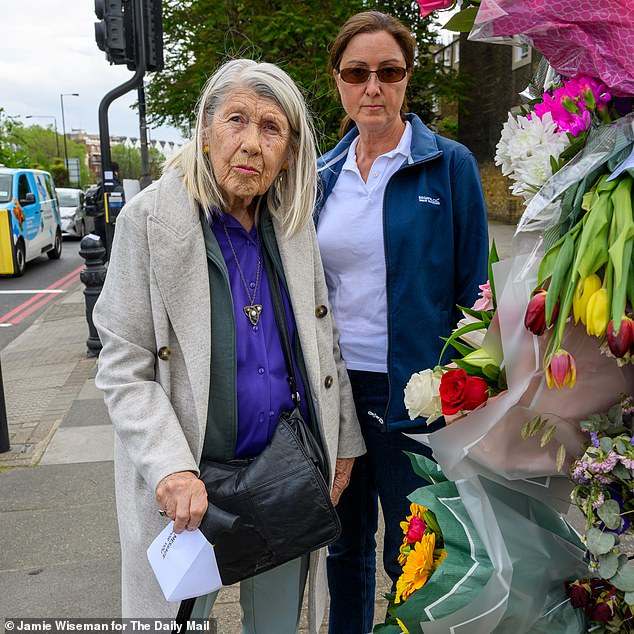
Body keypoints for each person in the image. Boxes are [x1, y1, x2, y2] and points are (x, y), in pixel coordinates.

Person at [93, 59, 365, 633]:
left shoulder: (291, 227)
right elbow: (124, 365)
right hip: (190, 487)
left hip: (281, 473)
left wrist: (343, 444)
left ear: (289, 151)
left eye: (271, 128)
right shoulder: (148, 221)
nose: (250, 143)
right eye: (236, 120)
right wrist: (169, 469)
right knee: (180, 620)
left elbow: (325, 344)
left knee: (275, 624)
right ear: (206, 129)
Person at [314, 11, 489, 633]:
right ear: (338, 80)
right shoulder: (320, 178)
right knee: (345, 545)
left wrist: (468, 385)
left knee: (416, 550)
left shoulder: (449, 165)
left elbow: (479, 291)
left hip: (415, 392)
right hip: (337, 390)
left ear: (407, 79)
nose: (373, 87)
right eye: (357, 72)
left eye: (388, 72)